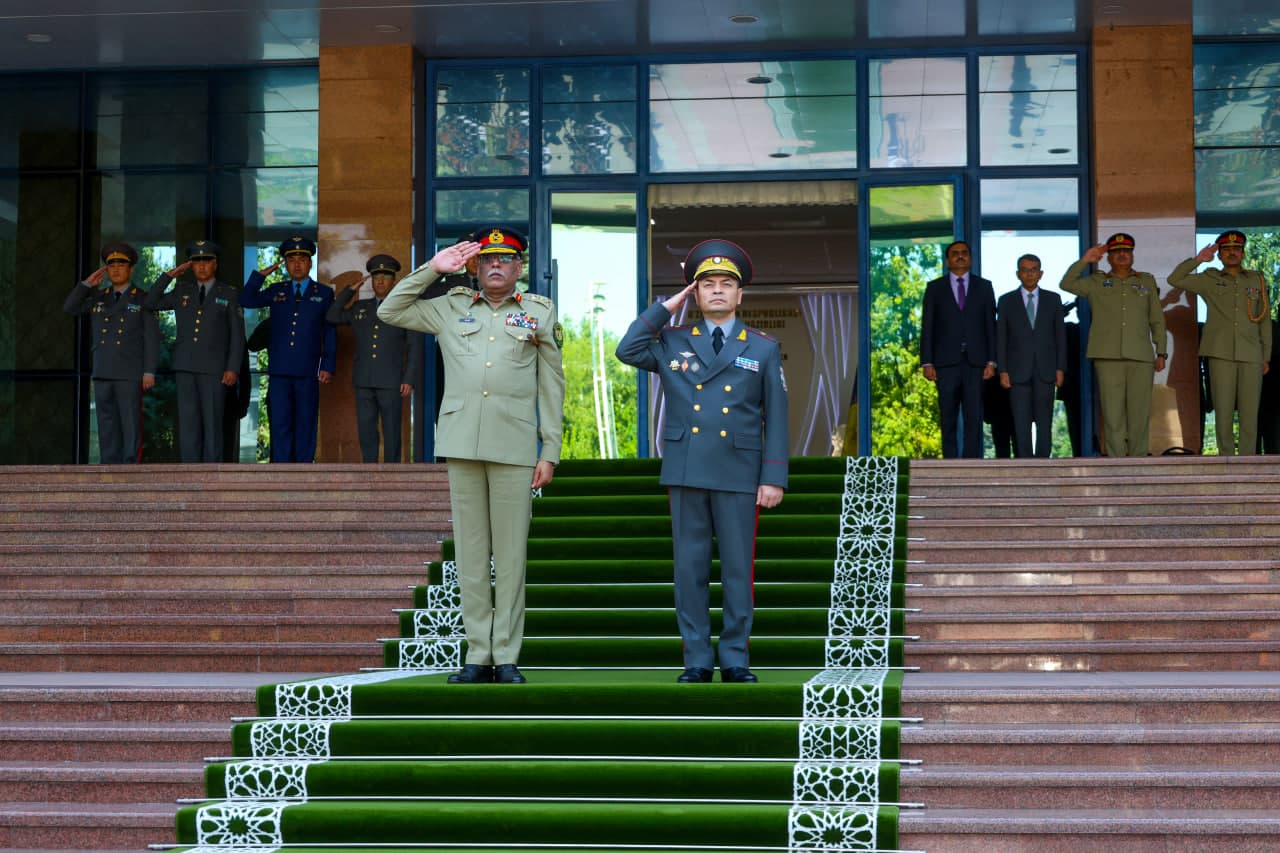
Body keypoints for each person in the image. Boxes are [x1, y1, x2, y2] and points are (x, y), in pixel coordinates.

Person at [378, 227, 565, 685]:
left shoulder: (538, 312)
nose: (496, 265)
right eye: (487, 259)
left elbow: (551, 384)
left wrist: (550, 449)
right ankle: (478, 653)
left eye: (505, 259)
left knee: (511, 556)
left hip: (514, 445)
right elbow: (390, 309)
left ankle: (507, 655)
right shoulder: (450, 305)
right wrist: (432, 269)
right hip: (462, 443)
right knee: (471, 555)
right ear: (474, 267)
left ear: (519, 267)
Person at [616, 239, 788, 684]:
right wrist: (665, 307)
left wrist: (773, 476)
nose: (717, 291)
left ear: (739, 295)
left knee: (737, 571)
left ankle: (734, 658)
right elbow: (627, 349)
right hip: (687, 466)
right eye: (707, 284)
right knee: (689, 569)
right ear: (695, 293)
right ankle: (696, 658)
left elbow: (777, 416)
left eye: (726, 284)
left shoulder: (763, 347)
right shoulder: (673, 341)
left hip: (739, 470)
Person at [1059, 233, 1167, 457]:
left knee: (1139, 413)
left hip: (1140, 356)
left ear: (1132, 255)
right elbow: (1066, 283)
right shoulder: (1096, 282)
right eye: (1116, 252)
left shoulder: (1146, 281)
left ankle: (1138, 460)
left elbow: (1156, 318)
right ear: (1108, 257)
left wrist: (1161, 351)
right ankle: (1117, 462)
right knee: (1112, 414)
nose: (1122, 255)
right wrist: (1085, 260)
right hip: (1107, 356)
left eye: (1126, 251)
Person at [1168, 230, 1272, 456]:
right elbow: (1174, 279)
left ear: (1243, 253)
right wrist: (1198, 259)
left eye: (1236, 249)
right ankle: (1226, 460)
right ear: (1220, 254)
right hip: (1220, 352)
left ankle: (1247, 460)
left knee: (1249, 412)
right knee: (1223, 410)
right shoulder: (1209, 279)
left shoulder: (1257, 279)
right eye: (1226, 249)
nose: (1232, 252)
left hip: (1251, 353)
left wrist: (1265, 356)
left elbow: (1264, 320)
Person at [144, 239, 245, 462]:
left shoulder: (228, 293)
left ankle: (212, 473)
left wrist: (232, 368)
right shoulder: (182, 290)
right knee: (188, 425)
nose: (201, 266)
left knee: (212, 424)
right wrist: (168, 276)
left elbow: (237, 335)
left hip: (214, 369)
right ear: (191, 265)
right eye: (196, 262)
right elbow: (150, 303)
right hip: (185, 366)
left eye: (206, 261)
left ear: (215, 264)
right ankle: (189, 473)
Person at [239, 236, 336, 462]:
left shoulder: (323, 293)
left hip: (308, 371)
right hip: (280, 371)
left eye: (302, 259)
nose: (297, 264)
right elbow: (246, 299)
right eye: (291, 260)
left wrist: (328, 364)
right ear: (285, 264)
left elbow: (329, 331)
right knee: (280, 423)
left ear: (310, 263)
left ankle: (304, 470)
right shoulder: (277, 290)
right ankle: (280, 470)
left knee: (306, 423)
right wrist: (260, 275)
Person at [63, 242, 160, 464]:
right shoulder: (99, 297)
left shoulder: (142, 298)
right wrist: (86, 285)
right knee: (106, 424)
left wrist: (149, 371)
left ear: (131, 269)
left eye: (121, 265)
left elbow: (152, 338)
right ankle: (108, 467)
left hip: (129, 372)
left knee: (130, 423)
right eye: (111, 266)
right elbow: (70, 308)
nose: (115, 270)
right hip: (103, 370)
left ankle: (130, 469)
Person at [326, 254, 423, 463]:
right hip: (364, 380)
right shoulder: (360, 308)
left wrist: (409, 379)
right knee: (366, 429)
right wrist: (350, 291)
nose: (380, 281)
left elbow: (415, 346)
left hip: (392, 381)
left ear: (393, 281)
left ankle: (392, 473)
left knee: (392, 430)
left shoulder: (404, 308)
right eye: (376, 277)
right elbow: (332, 316)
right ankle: (368, 472)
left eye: (385, 277)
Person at [920, 240, 997, 458]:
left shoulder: (984, 287)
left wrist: (992, 361)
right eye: (955, 253)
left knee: (974, 416)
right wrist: (927, 362)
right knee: (948, 416)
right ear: (947, 260)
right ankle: (950, 463)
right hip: (945, 363)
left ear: (970, 259)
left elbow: (990, 326)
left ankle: (971, 463)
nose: (960, 256)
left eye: (964, 253)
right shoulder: (935, 288)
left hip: (976, 362)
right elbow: (928, 326)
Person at [997, 253, 1067, 458]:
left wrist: (1060, 368)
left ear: (1041, 273)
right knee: (1020, 422)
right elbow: (1001, 338)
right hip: (1016, 371)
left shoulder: (1053, 299)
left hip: (1046, 369)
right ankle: (1024, 463)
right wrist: (1003, 370)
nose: (1029, 274)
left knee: (1045, 421)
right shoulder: (1006, 301)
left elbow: (1060, 337)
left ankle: (1044, 462)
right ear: (1018, 274)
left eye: (1034, 269)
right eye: (1025, 270)